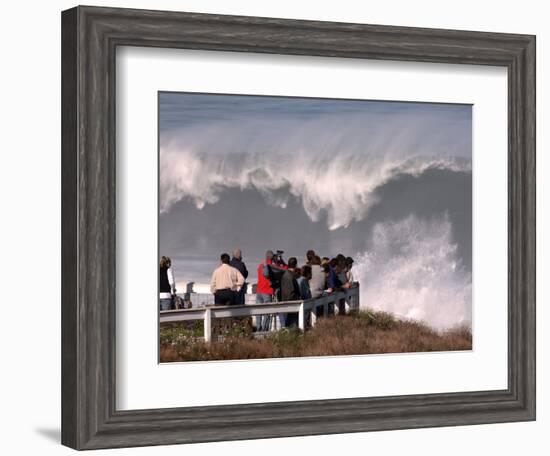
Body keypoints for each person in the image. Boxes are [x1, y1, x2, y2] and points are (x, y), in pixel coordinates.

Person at [256, 250, 275, 331]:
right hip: (267, 291)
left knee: (258, 312)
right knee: (267, 312)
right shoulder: (272, 267)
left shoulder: (260, 266)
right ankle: (264, 330)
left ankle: (258, 328)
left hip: (259, 291)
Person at [280, 257, 301, 327]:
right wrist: (298, 298)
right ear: (295, 265)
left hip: (286, 303)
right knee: (292, 325)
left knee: (288, 325)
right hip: (291, 305)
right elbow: (290, 294)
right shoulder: (290, 276)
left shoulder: (285, 274)